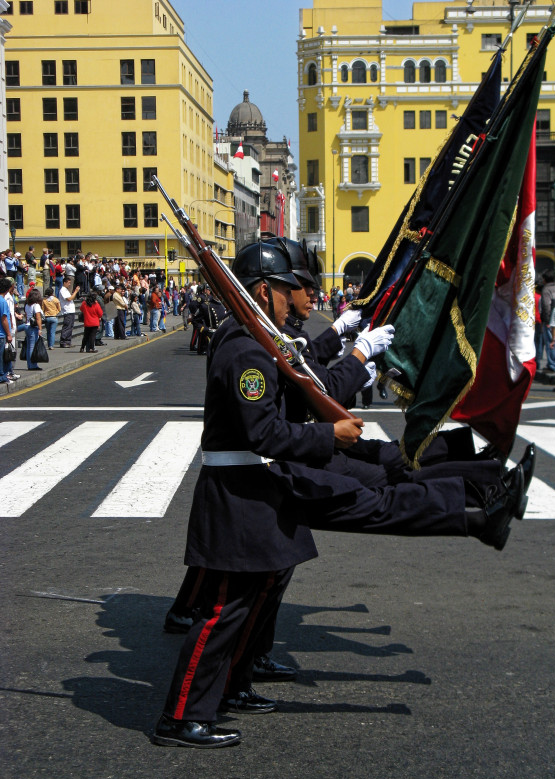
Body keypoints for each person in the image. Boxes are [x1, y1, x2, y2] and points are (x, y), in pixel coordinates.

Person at [153, 241, 528, 750]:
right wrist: (331, 435)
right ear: (263, 292)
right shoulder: (245, 349)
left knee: (256, 596)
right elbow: (265, 432)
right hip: (242, 496)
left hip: (263, 488)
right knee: (225, 611)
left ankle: (232, 686)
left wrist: (344, 357)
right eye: (289, 291)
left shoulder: (260, 340)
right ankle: (180, 717)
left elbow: (299, 389)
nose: (296, 299)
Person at [540, 269, 555, 373]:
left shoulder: (546, 290)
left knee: (550, 342)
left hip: (550, 320)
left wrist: (546, 321)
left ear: (545, 279)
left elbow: (546, 305)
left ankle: (552, 364)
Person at [24, 288, 44, 371]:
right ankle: (33, 365)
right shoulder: (36, 305)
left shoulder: (27, 305)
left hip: (27, 326)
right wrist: (40, 329)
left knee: (29, 347)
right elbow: (38, 318)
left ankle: (30, 364)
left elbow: (26, 316)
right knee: (33, 347)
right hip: (33, 328)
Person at [0, 277, 14, 385]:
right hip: (1, 334)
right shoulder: (3, 301)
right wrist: (9, 333)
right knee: (2, 356)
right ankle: (2, 376)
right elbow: (4, 319)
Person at [59, 276, 80, 348]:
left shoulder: (66, 290)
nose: (69, 284)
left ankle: (68, 341)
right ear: (64, 282)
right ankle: (63, 341)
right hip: (67, 311)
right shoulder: (63, 290)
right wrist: (76, 291)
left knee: (70, 327)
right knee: (67, 326)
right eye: (68, 283)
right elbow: (69, 298)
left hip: (71, 310)